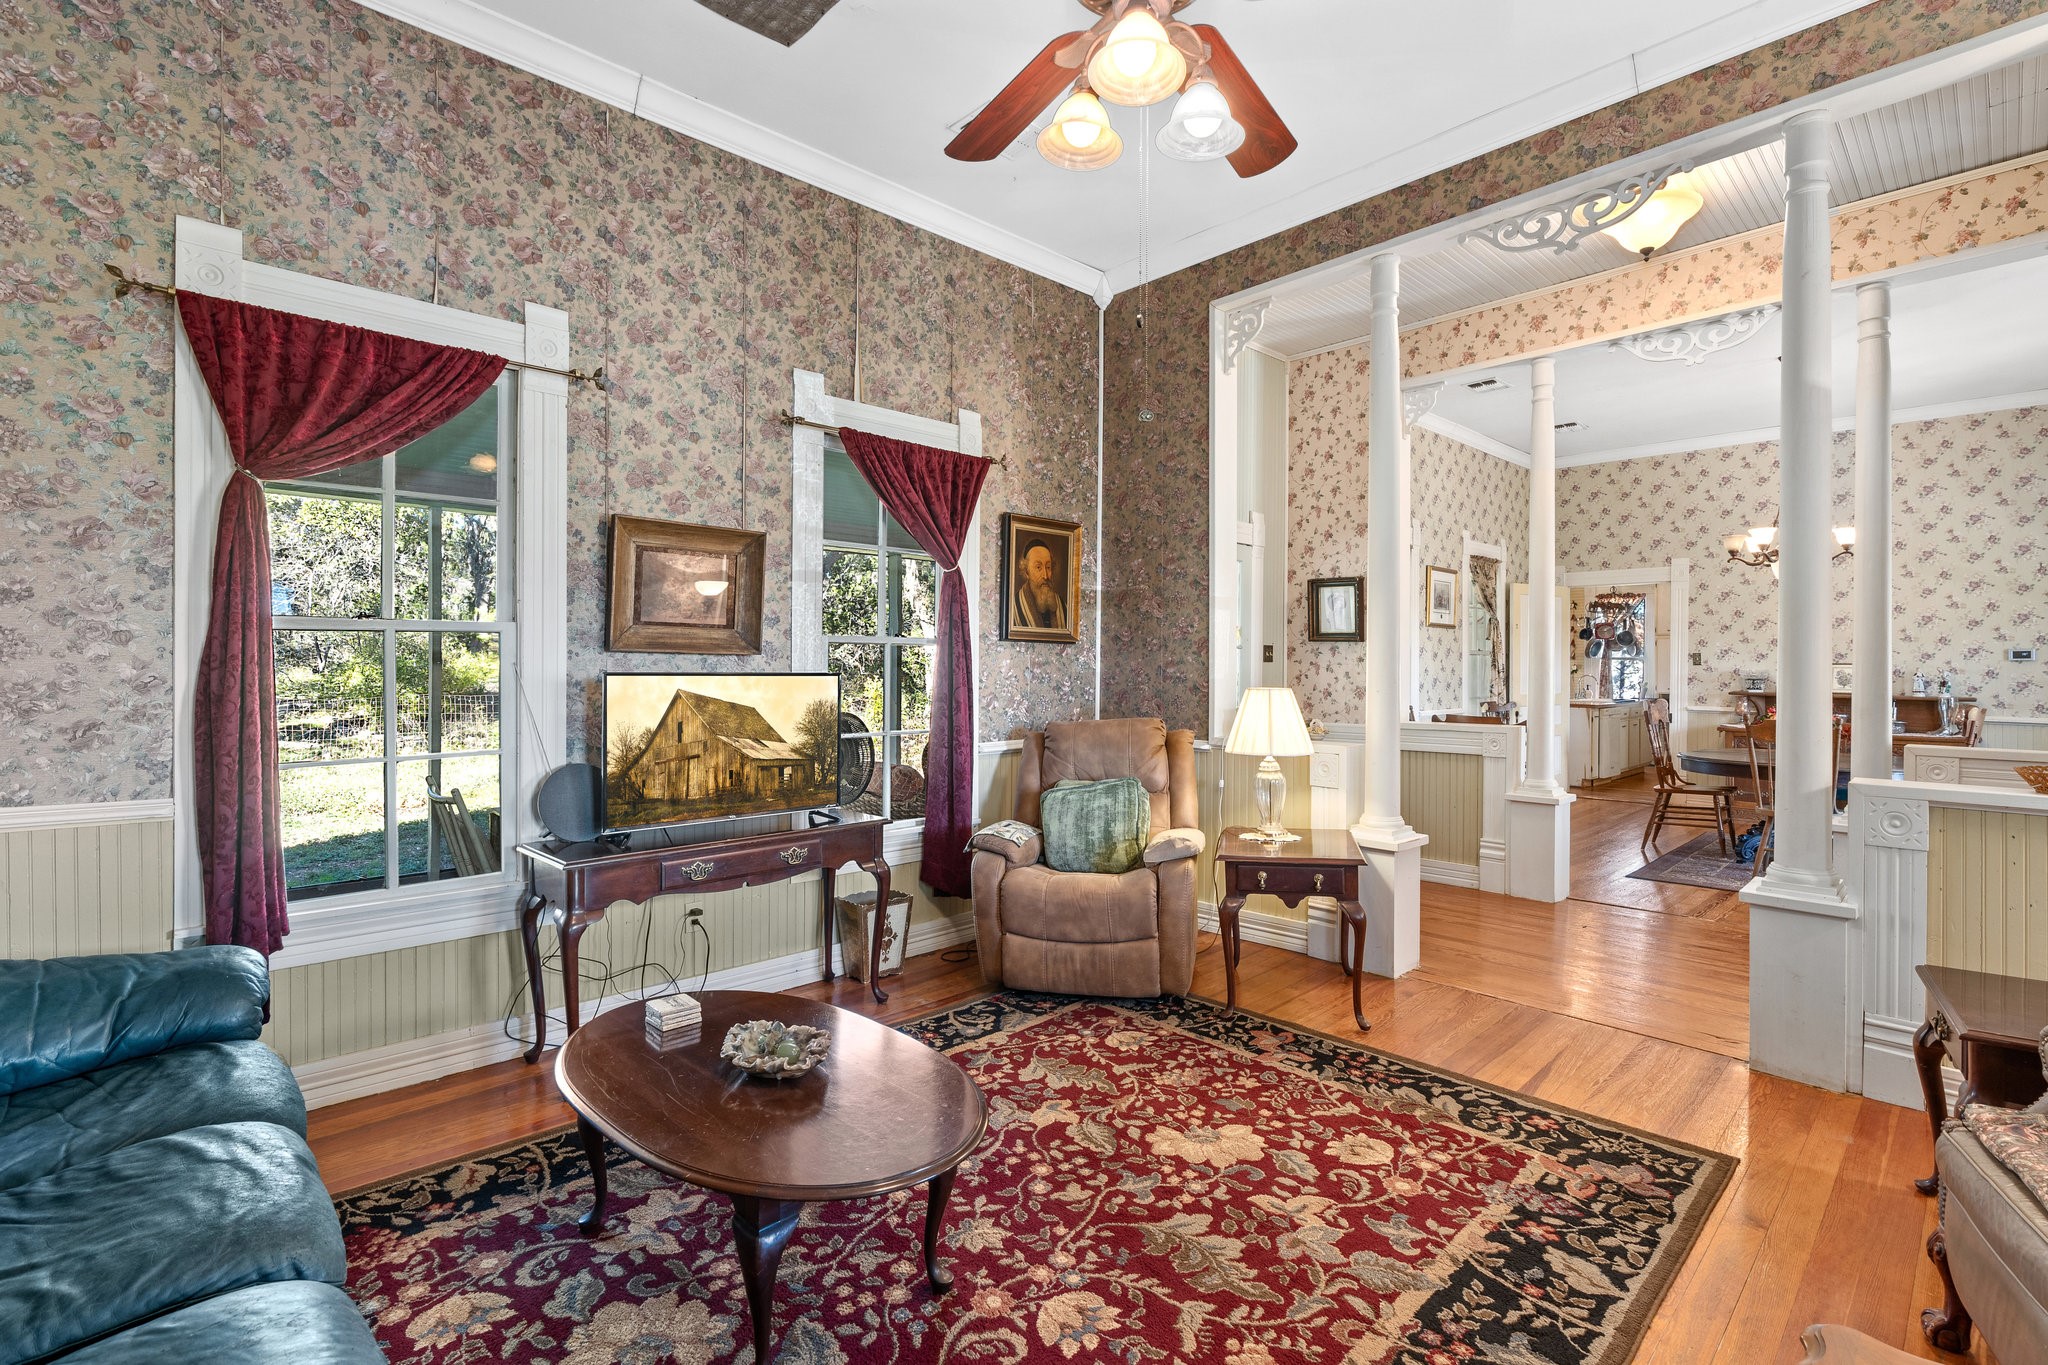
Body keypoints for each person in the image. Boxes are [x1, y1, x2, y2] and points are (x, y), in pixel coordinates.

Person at [1014, 538, 1068, 633]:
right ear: (1027, 571)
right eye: (1038, 567)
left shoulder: (1063, 606)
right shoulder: (1014, 608)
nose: (1046, 576)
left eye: (1048, 567)